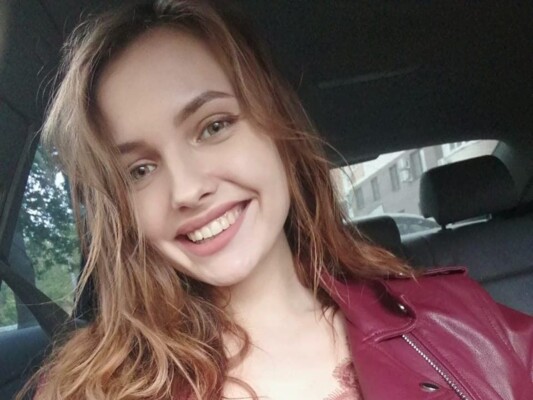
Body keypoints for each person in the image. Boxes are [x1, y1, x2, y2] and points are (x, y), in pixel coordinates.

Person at [21, 1, 533, 399]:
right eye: (139, 170)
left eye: (213, 126)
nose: (187, 190)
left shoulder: (461, 322)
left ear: (277, 130)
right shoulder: (89, 389)